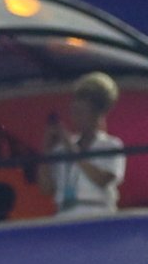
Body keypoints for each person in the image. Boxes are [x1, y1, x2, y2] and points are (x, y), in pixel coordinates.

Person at [41, 70, 126, 214]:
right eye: (73, 111)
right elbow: (46, 187)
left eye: (81, 112)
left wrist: (72, 149)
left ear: (96, 115)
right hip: (64, 213)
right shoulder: (61, 148)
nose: (75, 117)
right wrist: (46, 148)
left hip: (98, 212)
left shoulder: (111, 145)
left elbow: (102, 179)